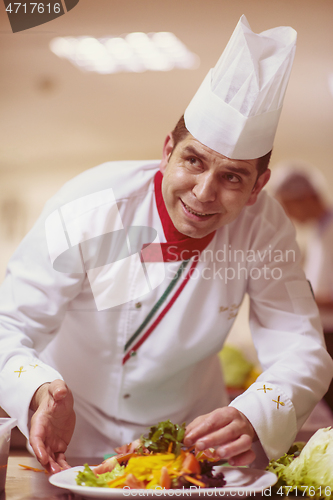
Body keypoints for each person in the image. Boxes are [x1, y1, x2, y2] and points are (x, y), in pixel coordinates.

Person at [0, 15, 332, 475]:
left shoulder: (265, 228)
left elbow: (300, 346)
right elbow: (9, 325)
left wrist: (254, 412)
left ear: (258, 187)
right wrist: (37, 389)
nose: (203, 192)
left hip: (189, 444)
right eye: (193, 161)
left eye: (232, 176)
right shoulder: (88, 208)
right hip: (71, 435)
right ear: (166, 152)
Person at [272, 162, 333, 410]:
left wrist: (301, 297)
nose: (288, 215)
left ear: (305, 198)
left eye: (288, 206)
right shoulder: (320, 230)